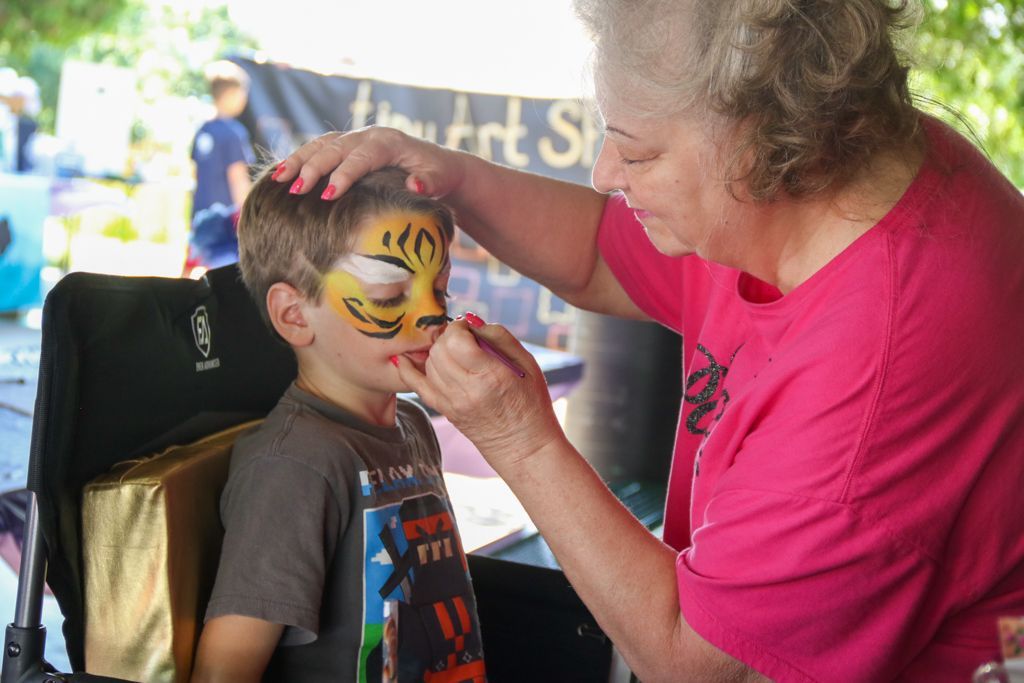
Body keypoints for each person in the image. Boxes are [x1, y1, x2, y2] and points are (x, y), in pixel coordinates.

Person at [273, 0, 1024, 681]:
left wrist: (520, 440)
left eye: (637, 154)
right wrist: (455, 179)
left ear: (763, 143)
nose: (605, 173)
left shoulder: (875, 374)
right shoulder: (829, 168)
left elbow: (696, 663)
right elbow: (600, 256)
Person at [190, 166, 487, 682]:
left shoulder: (412, 424)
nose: (433, 317)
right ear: (294, 315)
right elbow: (224, 671)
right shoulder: (295, 466)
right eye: (389, 296)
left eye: (440, 289)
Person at [186, 60, 255, 276]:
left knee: (190, 267)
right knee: (225, 275)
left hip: (200, 214)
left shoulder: (203, 130)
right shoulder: (233, 133)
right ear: (232, 94)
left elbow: (196, 172)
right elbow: (237, 177)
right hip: (224, 220)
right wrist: (248, 213)